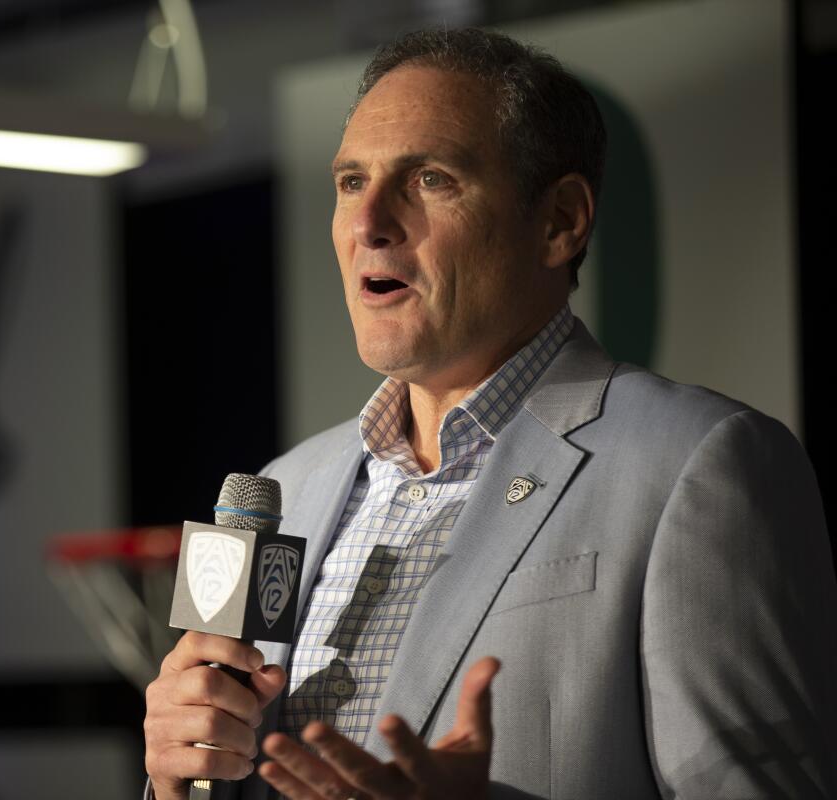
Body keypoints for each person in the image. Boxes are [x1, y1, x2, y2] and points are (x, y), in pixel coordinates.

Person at [143, 27, 837, 800]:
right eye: (349, 182)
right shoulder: (288, 485)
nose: (369, 220)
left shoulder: (697, 465)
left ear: (560, 222)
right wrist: (179, 778)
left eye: (430, 179)